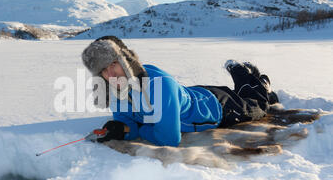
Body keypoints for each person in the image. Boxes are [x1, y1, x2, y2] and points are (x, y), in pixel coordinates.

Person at [81, 36, 279, 147]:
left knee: (258, 107)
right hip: (192, 94)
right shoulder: (116, 92)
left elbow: (169, 138)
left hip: (216, 108)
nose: (111, 74)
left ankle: (259, 84)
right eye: (103, 70)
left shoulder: (159, 85)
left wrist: (140, 129)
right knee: (241, 94)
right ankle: (244, 75)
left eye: (113, 64)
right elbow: (129, 122)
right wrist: (120, 129)